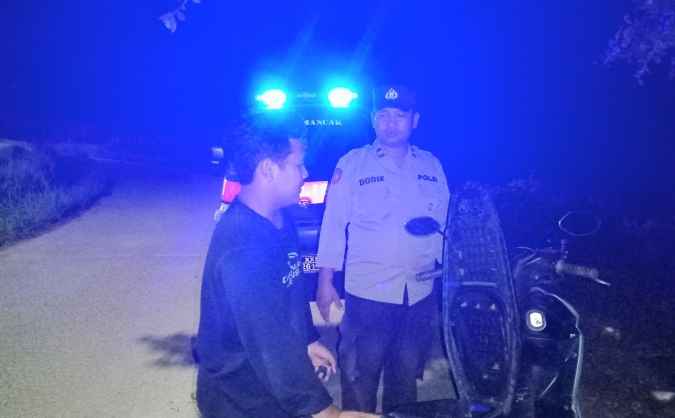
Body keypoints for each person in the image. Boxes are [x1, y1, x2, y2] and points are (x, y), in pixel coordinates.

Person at [195, 113, 379, 418]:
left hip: (270, 391)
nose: (305, 173)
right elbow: (268, 342)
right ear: (268, 169)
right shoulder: (243, 247)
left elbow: (290, 292)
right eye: (298, 165)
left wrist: (307, 339)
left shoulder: (279, 219)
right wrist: (325, 412)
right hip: (240, 400)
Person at [315, 84, 450, 413]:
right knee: (359, 380)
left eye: (399, 116)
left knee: (405, 383)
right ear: (372, 119)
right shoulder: (353, 164)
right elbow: (333, 224)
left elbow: (445, 225)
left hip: (418, 295)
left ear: (415, 120)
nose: (390, 123)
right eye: (383, 115)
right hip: (368, 296)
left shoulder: (431, 166)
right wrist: (325, 281)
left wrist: (449, 270)